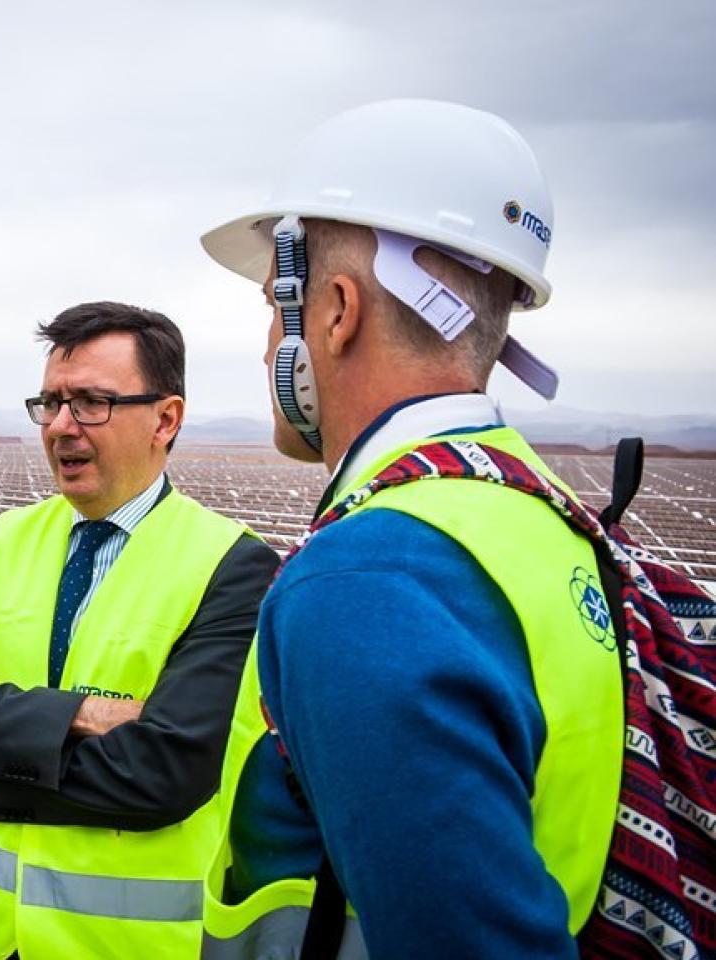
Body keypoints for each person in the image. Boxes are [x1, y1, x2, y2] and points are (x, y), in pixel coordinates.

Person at [197, 100, 620, 958]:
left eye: (275, 308)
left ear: (337, 311)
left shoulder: (366, 580)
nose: (265, 344)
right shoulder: (544, 515)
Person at [0, 302, 279, 959]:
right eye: (50, 403)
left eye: (92, 403)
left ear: (166, 419)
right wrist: (82, 714)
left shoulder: (231, 564)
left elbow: (165, 774)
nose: (61, 427)